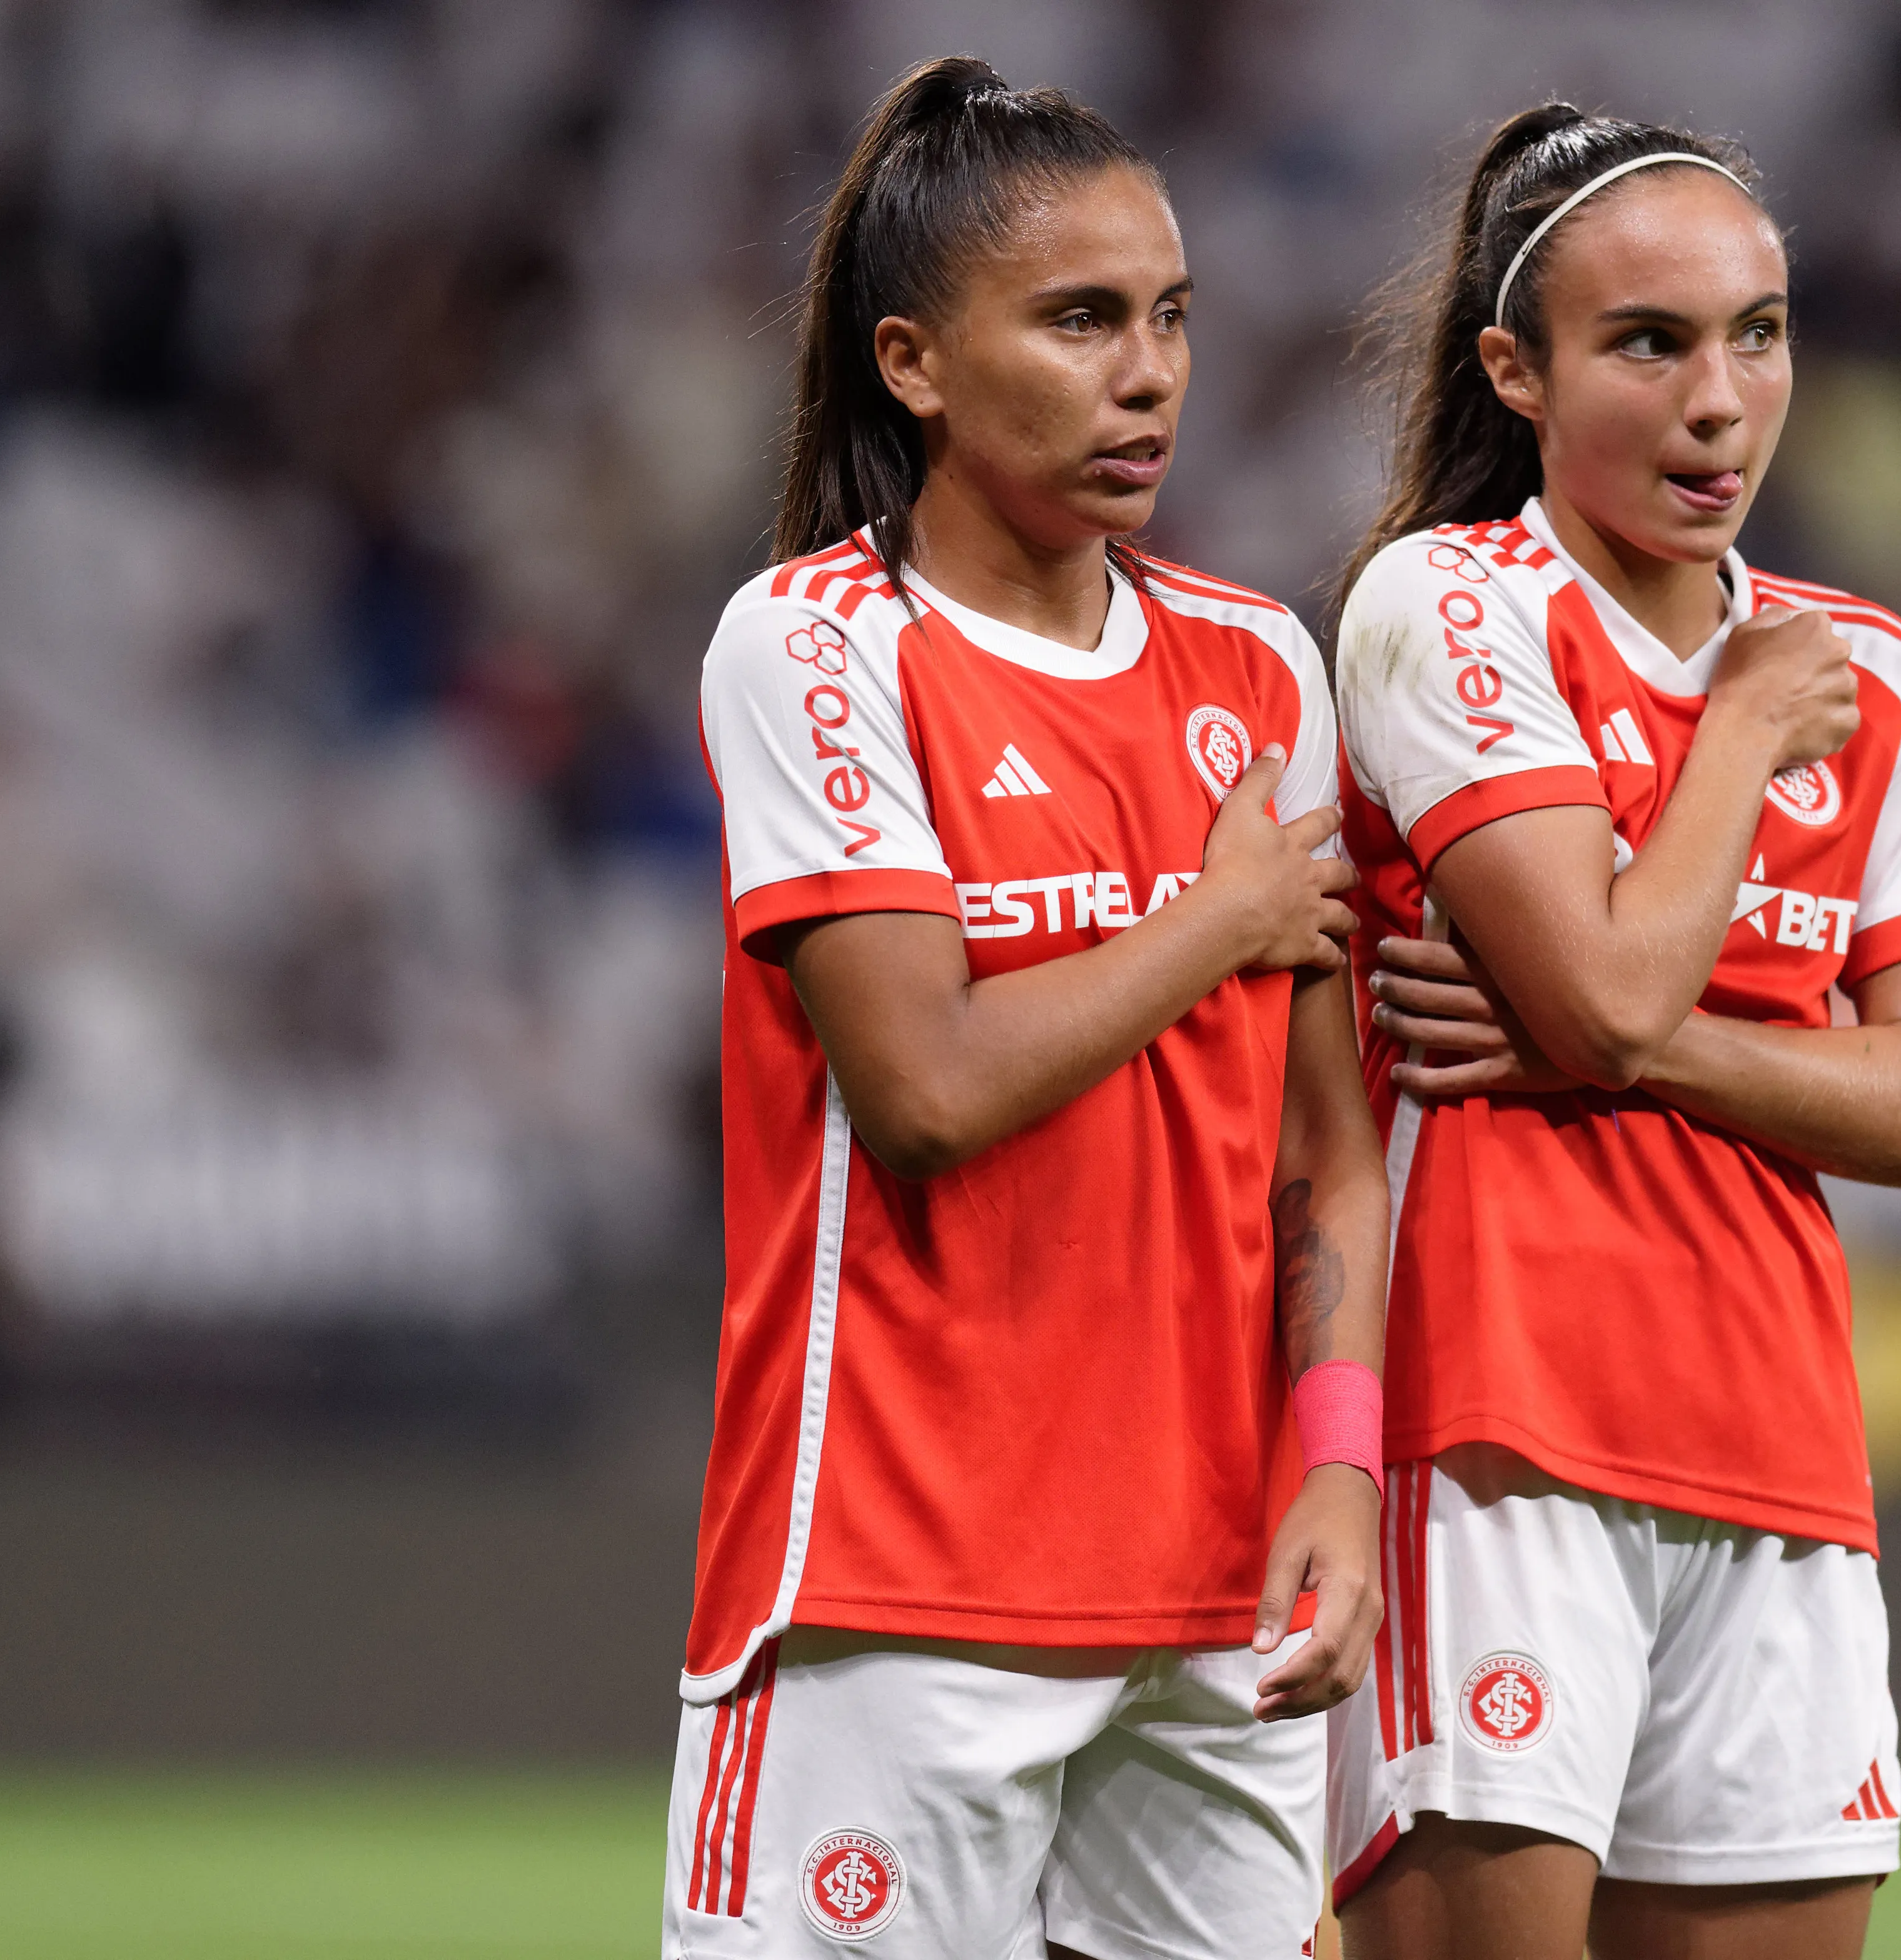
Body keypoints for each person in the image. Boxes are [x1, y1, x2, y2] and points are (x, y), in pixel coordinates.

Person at [666, 58, 1389, 1960]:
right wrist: (1217, 913)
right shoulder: (820, 645)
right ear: (912, 360)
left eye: (1167, 319)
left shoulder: (1258, 665)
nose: (1145, 371)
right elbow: (923, 1083)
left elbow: (1325, 1146)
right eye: (1077, 320)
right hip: (896, 1594)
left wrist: (1337, 1455)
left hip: (1205, 1599)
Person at [1325, 107, 1901, 1960]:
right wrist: (1735, 741)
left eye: (1757, 334)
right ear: (1513, 371)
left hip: (1779, 1458)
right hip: (1489, 1438)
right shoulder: (1446, 607)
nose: (1719, 400)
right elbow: (1608, 989)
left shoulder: (1866, 665)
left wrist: (1619, 1049)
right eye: (1649, 343)